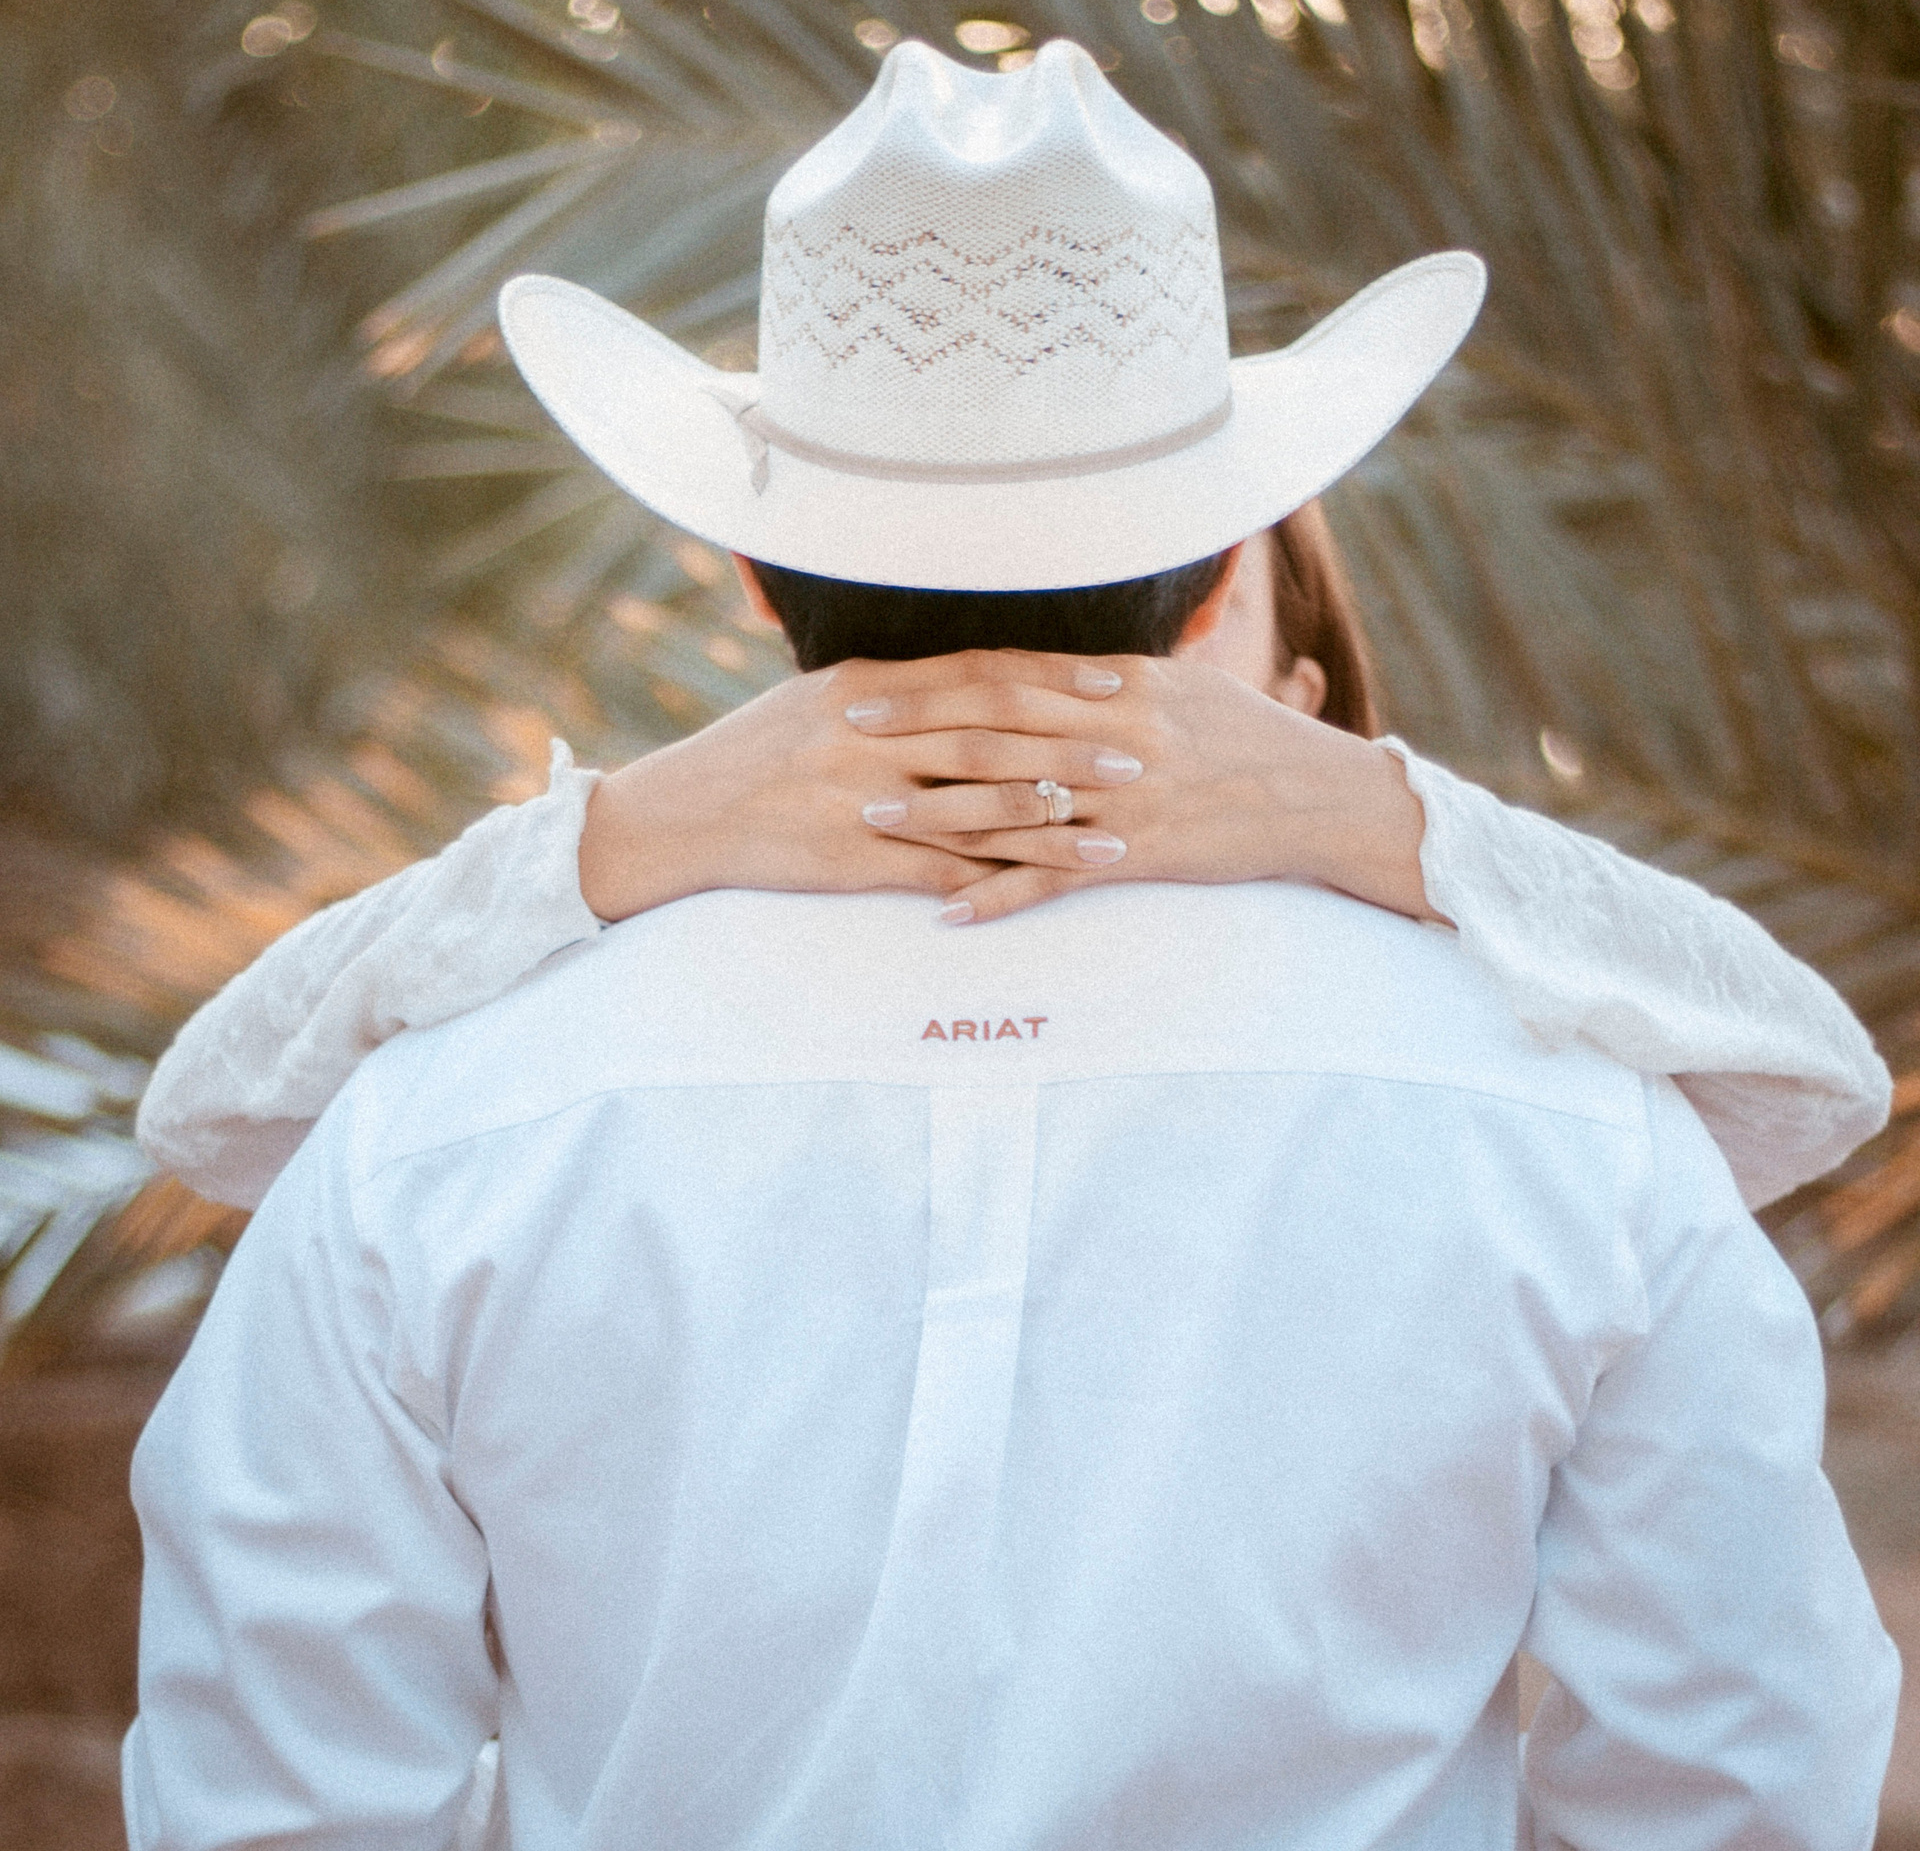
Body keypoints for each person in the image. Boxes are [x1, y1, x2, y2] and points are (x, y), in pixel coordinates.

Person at [125, 40, 1896, 1849]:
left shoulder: (430, 1131)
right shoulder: (1576, 1124)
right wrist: (1390, 819)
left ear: (747, 571)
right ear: (1225, 575)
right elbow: (1739, 1775)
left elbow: (275, 1801)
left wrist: (613, 836)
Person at [133, 511, 1887, 1216]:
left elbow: (1808, 1080)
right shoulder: (609, 1043)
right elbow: (219, 1112)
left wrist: (1373, 817)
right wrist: (628, 831)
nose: (1039, 694)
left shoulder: (1480, 1079)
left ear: (1298, 702)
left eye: (1168, 684)